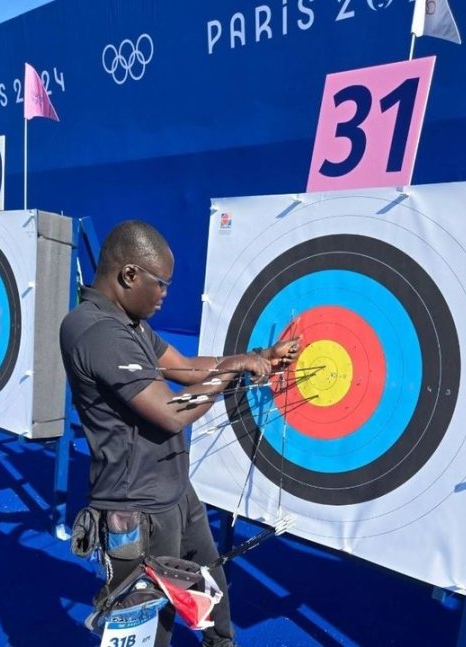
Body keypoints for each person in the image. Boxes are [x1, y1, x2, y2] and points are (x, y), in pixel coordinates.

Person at [60, 220, 299, 647]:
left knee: (208, 580)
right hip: (136, 508)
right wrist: (231, 369)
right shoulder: (97, 331)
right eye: (162, 284)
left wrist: (255, 356)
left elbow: (184, 366)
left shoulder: (128, 323)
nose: (166, 295)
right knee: (153, 620)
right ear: (129, 274)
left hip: (174, 490)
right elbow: (171, 412)